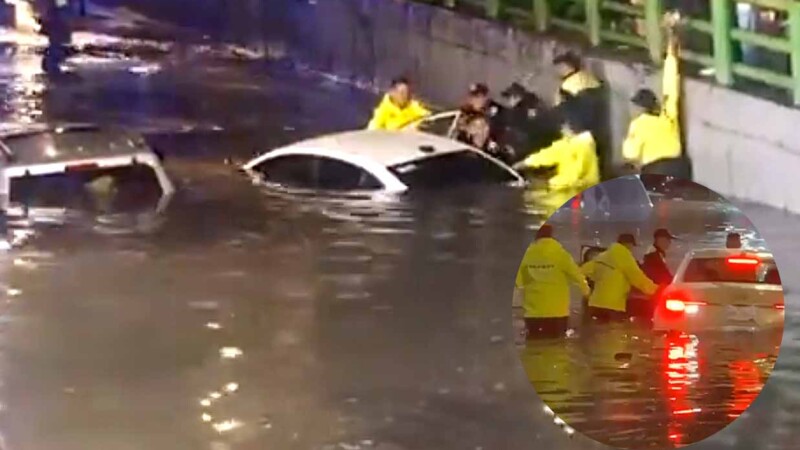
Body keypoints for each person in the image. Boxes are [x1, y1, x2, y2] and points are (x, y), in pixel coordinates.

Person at [622, 12, 691, 179]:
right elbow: (671, 80)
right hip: (679, 165)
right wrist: (671, 49)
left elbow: (630, 153)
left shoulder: (639, 124)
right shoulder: (668, 112)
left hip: (655, 169)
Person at [515, 224, 591, 339]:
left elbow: (518, 282)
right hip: (557, 312)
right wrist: (587, 292)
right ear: (551, 234)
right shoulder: (561, 254)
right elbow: (577, 276)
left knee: (534, 344)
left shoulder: (526, 255)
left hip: (533, 312)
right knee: (557, 345)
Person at [551, 52, 610, 177]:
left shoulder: (567, 86)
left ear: (566, 67)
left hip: (578, 129)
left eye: (558, 68)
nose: (556, 72)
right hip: (598, 128)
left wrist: (567, 128)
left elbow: (563, 110)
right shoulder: (590, 78)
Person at [512, 112, 600, 192]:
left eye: (563, 127)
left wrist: (546, 184)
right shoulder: (569, 142)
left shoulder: (583, 145)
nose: (561, 130)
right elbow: (550, 154)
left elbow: (574, 178)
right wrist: (525, 163)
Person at [581, 233, 659, 322]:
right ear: (629, 244)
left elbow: (583, 271)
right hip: (612, 306)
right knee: (614, 330)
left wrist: (587, 289)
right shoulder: (624, 255)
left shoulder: (602, 256)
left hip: (595, 304)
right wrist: (656, 290)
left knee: (598, 329)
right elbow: (637, 277)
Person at [500, 82, 561, 161]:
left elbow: (523, 132)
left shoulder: (520, 111)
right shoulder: (531, 106)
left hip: (538, 145)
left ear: (517, 97)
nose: (508, 102)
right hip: (547, 142)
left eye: (509, 98)